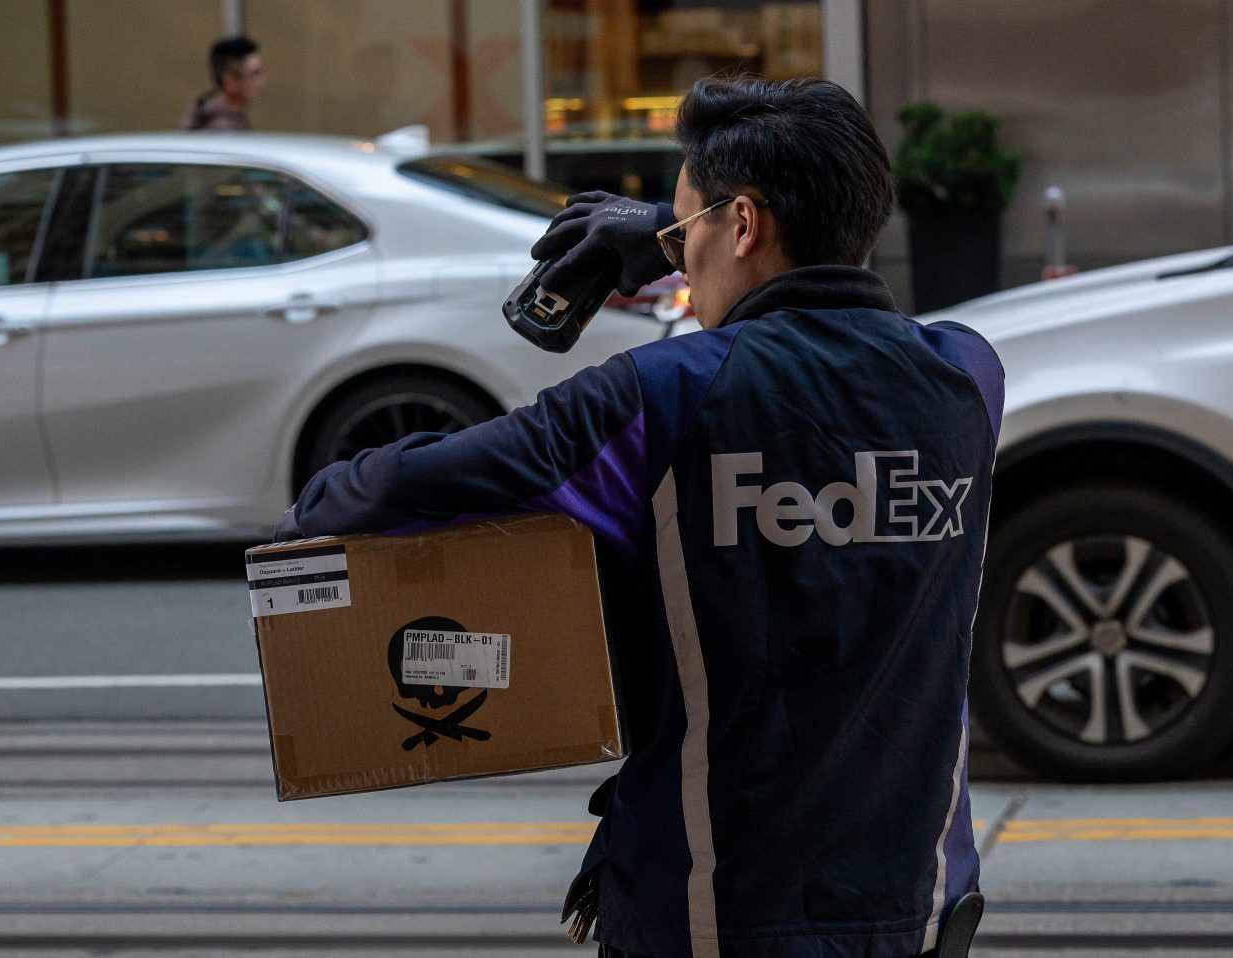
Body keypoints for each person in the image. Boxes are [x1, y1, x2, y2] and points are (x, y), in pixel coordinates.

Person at [274, 74, 1003, 958]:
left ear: (742, 225)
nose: (680, 266)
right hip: (917, 907)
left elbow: (407, 487)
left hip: (713, 912)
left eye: (687, 234)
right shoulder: (968, 379)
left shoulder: (665, 395)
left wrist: (311, 504)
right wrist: (675, 227)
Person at [180, 36, 265, 131]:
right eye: (255, 73)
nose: (262, 79)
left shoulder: (212, 112)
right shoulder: (221, 129)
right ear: (230, 81)